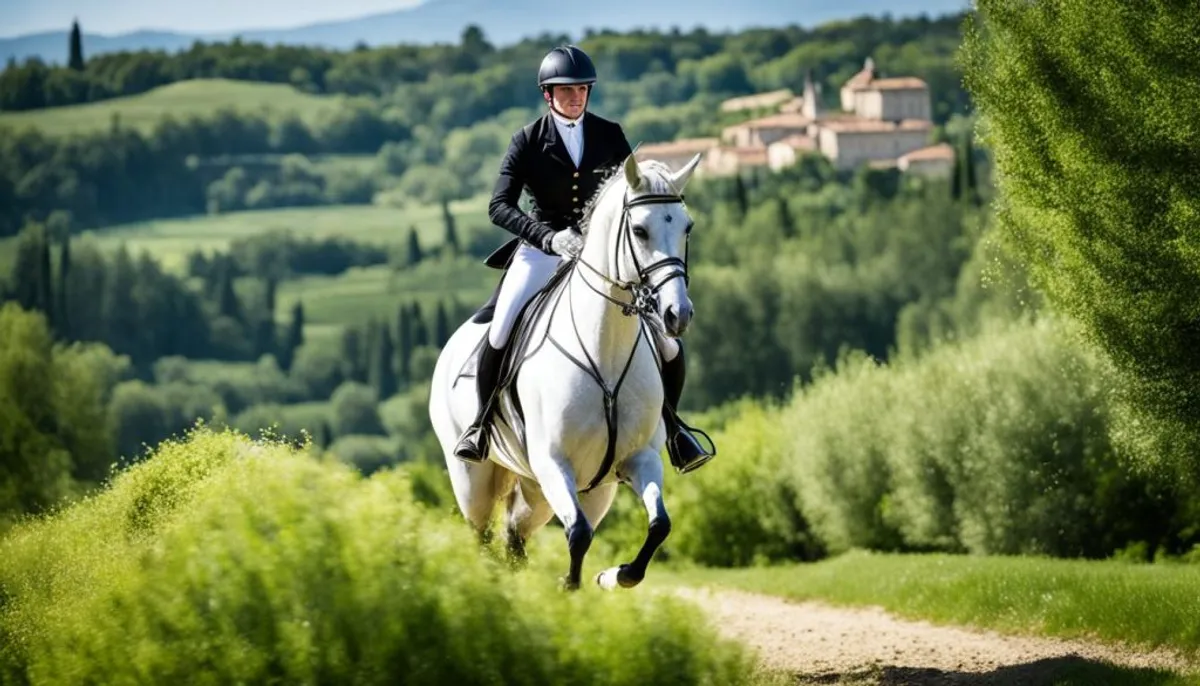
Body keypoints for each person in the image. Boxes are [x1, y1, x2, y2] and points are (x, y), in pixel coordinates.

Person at [452, 44, 713, 475]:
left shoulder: (610, 134)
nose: (575, 97)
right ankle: (480, 426)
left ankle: (674, 427)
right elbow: (499, 206)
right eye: (565, 90)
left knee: (667, 341)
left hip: (604, 258)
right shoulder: (528, 140)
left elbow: (635, 192)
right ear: (547, 95)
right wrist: (549, 238)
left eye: (582, 90)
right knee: (501, 328)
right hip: (543, 251)